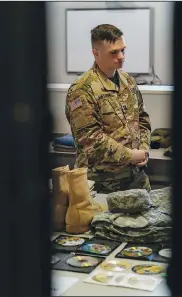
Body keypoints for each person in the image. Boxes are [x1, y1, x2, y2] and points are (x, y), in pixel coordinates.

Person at [65, 24, 152, 194]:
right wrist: (130, 156)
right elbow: (90, 140)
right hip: (102, 185)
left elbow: (142, 119)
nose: (121, 57)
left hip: (136, 180)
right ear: (95, 53)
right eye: (113, 52)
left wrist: (144, 149)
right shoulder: (82, 89)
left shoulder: (128, 81)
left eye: (123, 50)